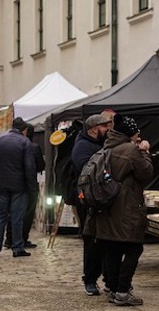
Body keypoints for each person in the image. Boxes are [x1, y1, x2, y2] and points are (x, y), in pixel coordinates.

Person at [94, 115, 153, 306]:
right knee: (134, 247)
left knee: (112, 247)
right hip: (125, 207)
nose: (138, 136)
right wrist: (144, 152)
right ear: (131, 133)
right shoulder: (131, 150)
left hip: (107, 206)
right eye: (136, 133)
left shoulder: (106, 147)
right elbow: (146, 173)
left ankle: (112, 287)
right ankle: (122, 290)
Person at [71, 114, 111, 296]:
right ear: (94, 128)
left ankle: (107, 278)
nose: (108, 129)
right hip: (88, 199)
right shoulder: (82, 146)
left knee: (105, 240)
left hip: (102, 197)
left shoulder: (100, 143)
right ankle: (90, 279)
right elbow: (85, 170)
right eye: (105, 126)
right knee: (91, 239)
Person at [0, 118, 36, 258]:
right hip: (19, 186)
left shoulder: (0, 141)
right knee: (17, 217)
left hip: (1, 184)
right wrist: (32, 188)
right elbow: (29, 167)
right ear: (24, 129)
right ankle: (17, 247)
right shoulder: (25, 142)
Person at [5, 122, 45, 249]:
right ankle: (22, 238)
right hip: (29, 185)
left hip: (13, 183)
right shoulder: (33, 147)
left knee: (13, 213)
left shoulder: (11, 145)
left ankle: (10, 239)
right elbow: (40, 166)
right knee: (27, 214)